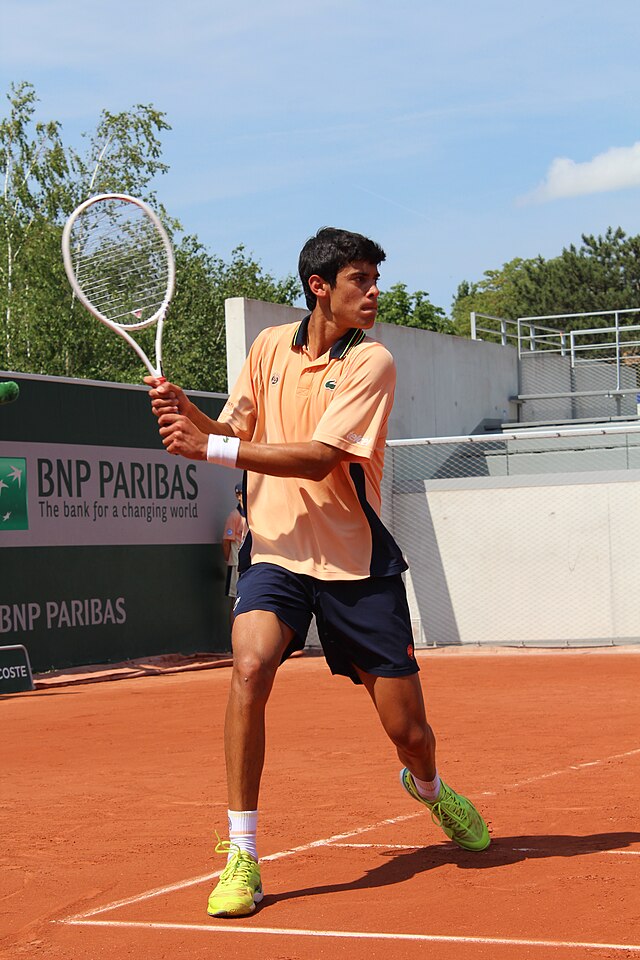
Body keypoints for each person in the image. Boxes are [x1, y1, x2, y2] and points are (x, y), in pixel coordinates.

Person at [145, 226, 490, 920]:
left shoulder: (373, 362)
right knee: (250, 668)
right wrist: (190, 414)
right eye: (361, 280)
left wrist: (207, 449)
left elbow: (317, 458)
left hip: (354, 565)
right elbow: (236, 433)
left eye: (375, 280)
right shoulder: (269, 346)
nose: (375, 293)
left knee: (409, 733)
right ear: (319, 286)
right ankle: (243, 852)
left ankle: (429, 788)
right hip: (275, 551)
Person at [222, 482, 247, 619]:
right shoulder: (234, 516)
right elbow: (226, 542)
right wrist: (230, 560)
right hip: (236, 565)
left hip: (248, 565)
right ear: (237, 496)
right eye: (241, 493)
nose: (244, 495)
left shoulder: (250, 515)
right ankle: (233, 633)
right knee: (235, 602)